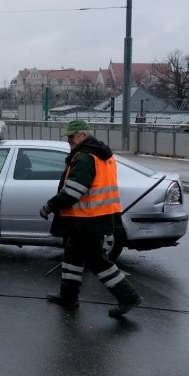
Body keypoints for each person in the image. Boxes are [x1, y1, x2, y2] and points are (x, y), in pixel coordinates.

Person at [39, 119, 142, 317]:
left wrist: (49, 206)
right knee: (72, 256)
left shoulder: (85, 157)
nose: (69, 140)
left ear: (84, 136)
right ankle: (68, 297)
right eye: (68, 137)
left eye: (72, 136)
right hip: (95, 216)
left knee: (96, 260)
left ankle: (128, 296)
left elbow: (73, 191)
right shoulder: (101, 154)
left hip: (88, 218)